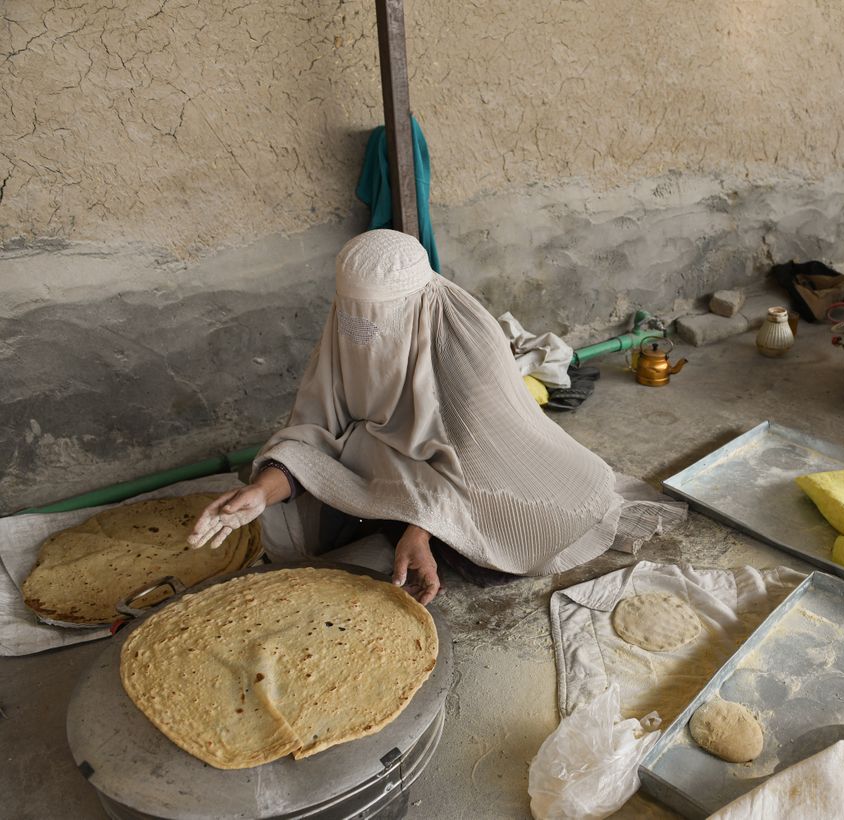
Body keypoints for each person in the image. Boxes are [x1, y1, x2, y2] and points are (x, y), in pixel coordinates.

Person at [188, 230, 679, 603]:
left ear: (420, 306)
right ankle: (392, 515)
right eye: (352, 317)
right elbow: (316, 433)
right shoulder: (343, 337)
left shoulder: (467, 342)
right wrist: (261, 491)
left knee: (512, 537)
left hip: (480, 473)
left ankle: (413, 526)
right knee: (275, 497)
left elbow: (475, 465)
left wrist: (421, 527)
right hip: (394, 470)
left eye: (379, 319)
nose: (362, 335)